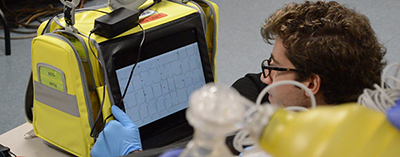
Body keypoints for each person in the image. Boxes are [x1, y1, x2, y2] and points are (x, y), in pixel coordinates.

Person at [91, 1, 391, 156]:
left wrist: (131, 154)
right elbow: (251, 84)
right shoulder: (378, 109)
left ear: (310, 84)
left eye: (274, 67)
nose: (264, 75)